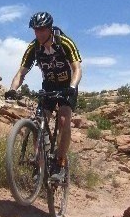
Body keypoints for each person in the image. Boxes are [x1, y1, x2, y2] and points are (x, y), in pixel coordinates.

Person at [5, 11, 82, 183]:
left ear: (49, 29)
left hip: (66, 86)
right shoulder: (33, 48)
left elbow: (77, 68)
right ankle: (40, 165)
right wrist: (12, 89)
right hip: (48, 86)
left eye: (41, 30)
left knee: (63, 121)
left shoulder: (65, 43)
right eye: (35, 30)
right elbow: (21, 72)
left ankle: (60, 163)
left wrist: (72, 86)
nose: (38, 33)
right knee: (37, 123)